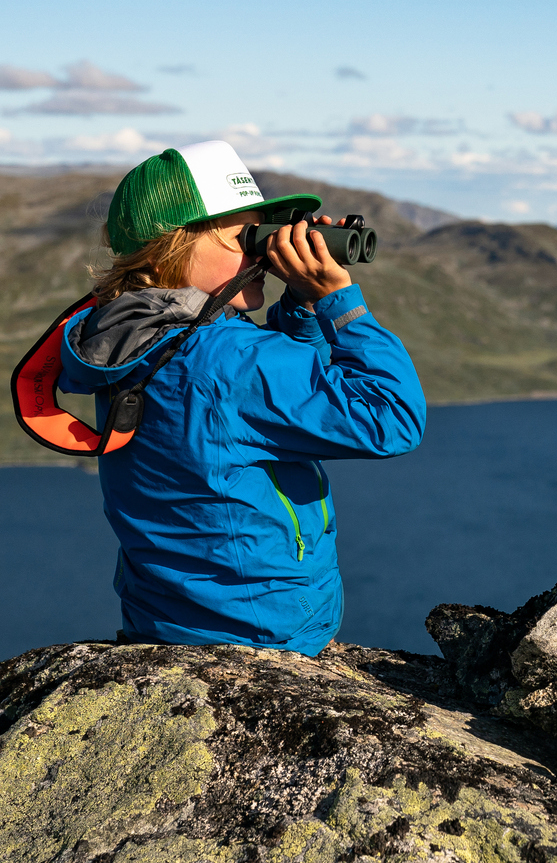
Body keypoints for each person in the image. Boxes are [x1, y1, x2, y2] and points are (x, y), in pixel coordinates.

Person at [55, 141, 426, 655]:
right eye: (245, 237)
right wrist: (338, 304)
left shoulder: (135, 331)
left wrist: (297, 302)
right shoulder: (229, 358)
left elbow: (268, 398)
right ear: (174, 247)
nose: (262, 252)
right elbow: (391, 418)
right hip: (259, 634)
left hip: (167, 620)